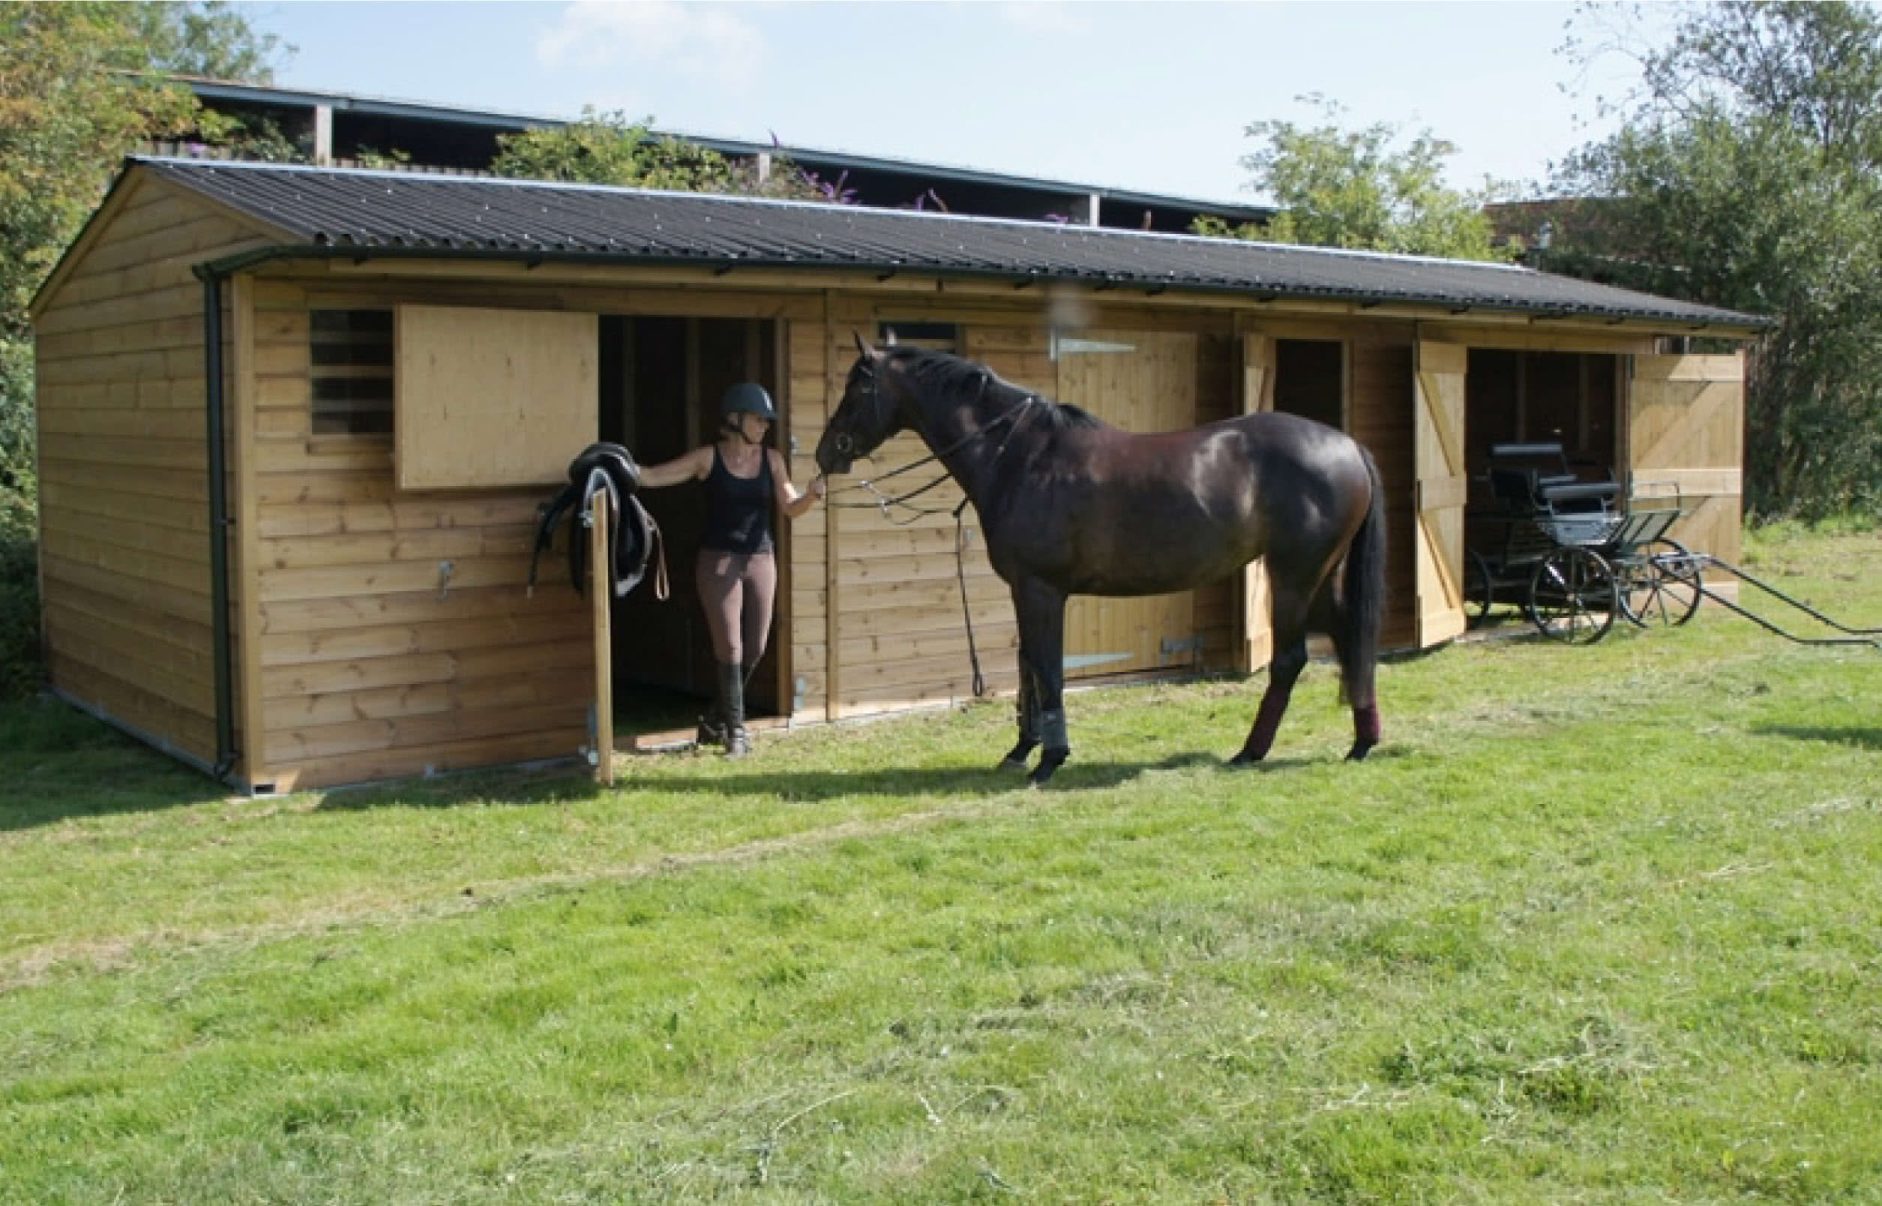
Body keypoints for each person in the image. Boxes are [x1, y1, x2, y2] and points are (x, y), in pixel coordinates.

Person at [635, 383, 826, 756]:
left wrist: (811, 496)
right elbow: (654, 476)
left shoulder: (772, 460)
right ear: (735, 419)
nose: (765, 426)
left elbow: (791, 507)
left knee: (755, 647)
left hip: (761, 559)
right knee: (731, 647)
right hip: (718, 562)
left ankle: (714, 719)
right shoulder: (708, 458)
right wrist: (624, 468)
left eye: (767, 421)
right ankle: (736, 734)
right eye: (758, 419)